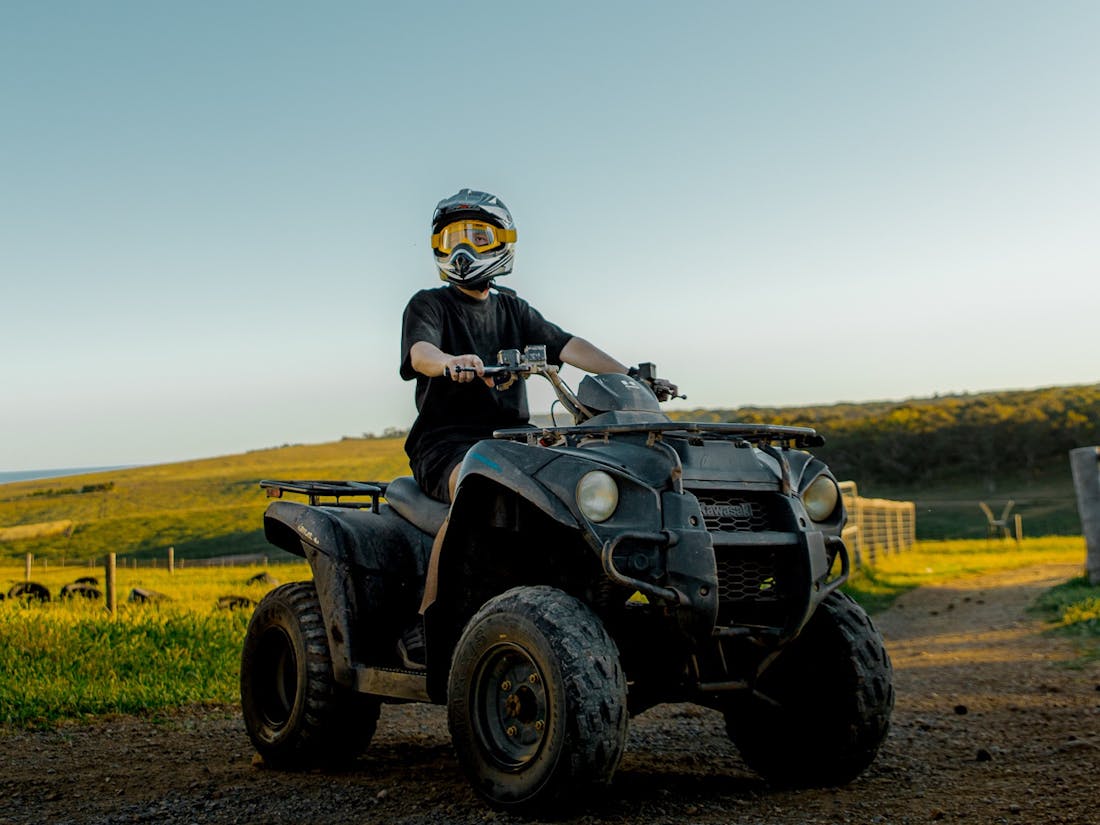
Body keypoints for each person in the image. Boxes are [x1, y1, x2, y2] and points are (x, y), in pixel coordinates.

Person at [400, 188, 630, 503]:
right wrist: (449, 362)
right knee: (480, 495)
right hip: (447, 445)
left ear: (502, 240)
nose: (464, 247)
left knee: (583, 483)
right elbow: (421, 353)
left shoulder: (513, 308)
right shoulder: (429, 303)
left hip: (515, 436)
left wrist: (630, 375)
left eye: (478, 237)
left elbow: (566, 345)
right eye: (453, 239)